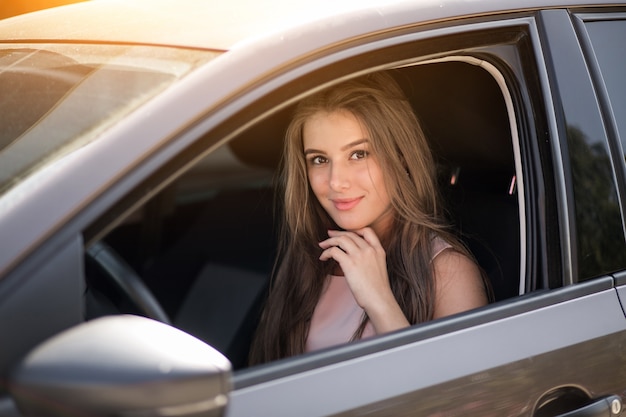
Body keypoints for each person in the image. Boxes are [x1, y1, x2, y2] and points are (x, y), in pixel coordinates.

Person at [249, 71, 490, 364]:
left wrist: (378, 299)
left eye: (358, 154)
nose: (336, 181)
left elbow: (456, 404)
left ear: (401, 156)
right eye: (320, 160)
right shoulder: (311, 256)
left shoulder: (448, 273)